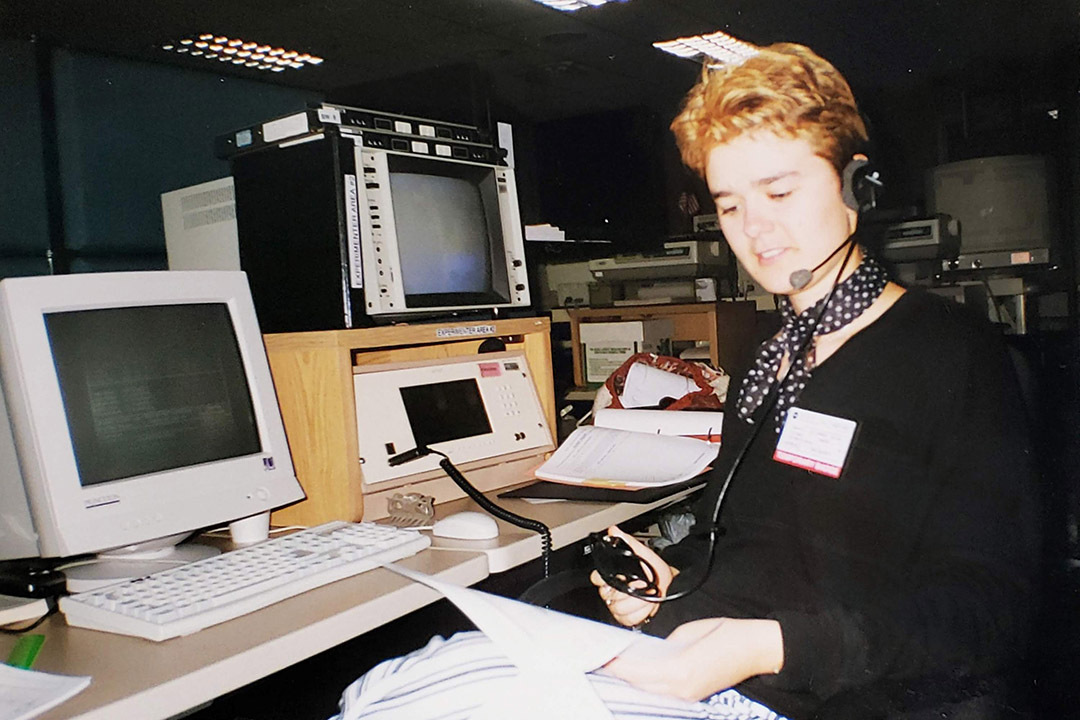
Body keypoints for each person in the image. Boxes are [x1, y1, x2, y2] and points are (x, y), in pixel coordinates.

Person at [330, 42, 1040, 720]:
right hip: (694, 662)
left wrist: (766, 645)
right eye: (730, 204)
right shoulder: (774, 353)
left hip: (825, 697)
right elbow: (749, 539)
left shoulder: (953, 356)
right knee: (386, 689)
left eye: (780, 190)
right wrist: (671, 584)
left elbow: (988, 610)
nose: (755, 228)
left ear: (860, 184)